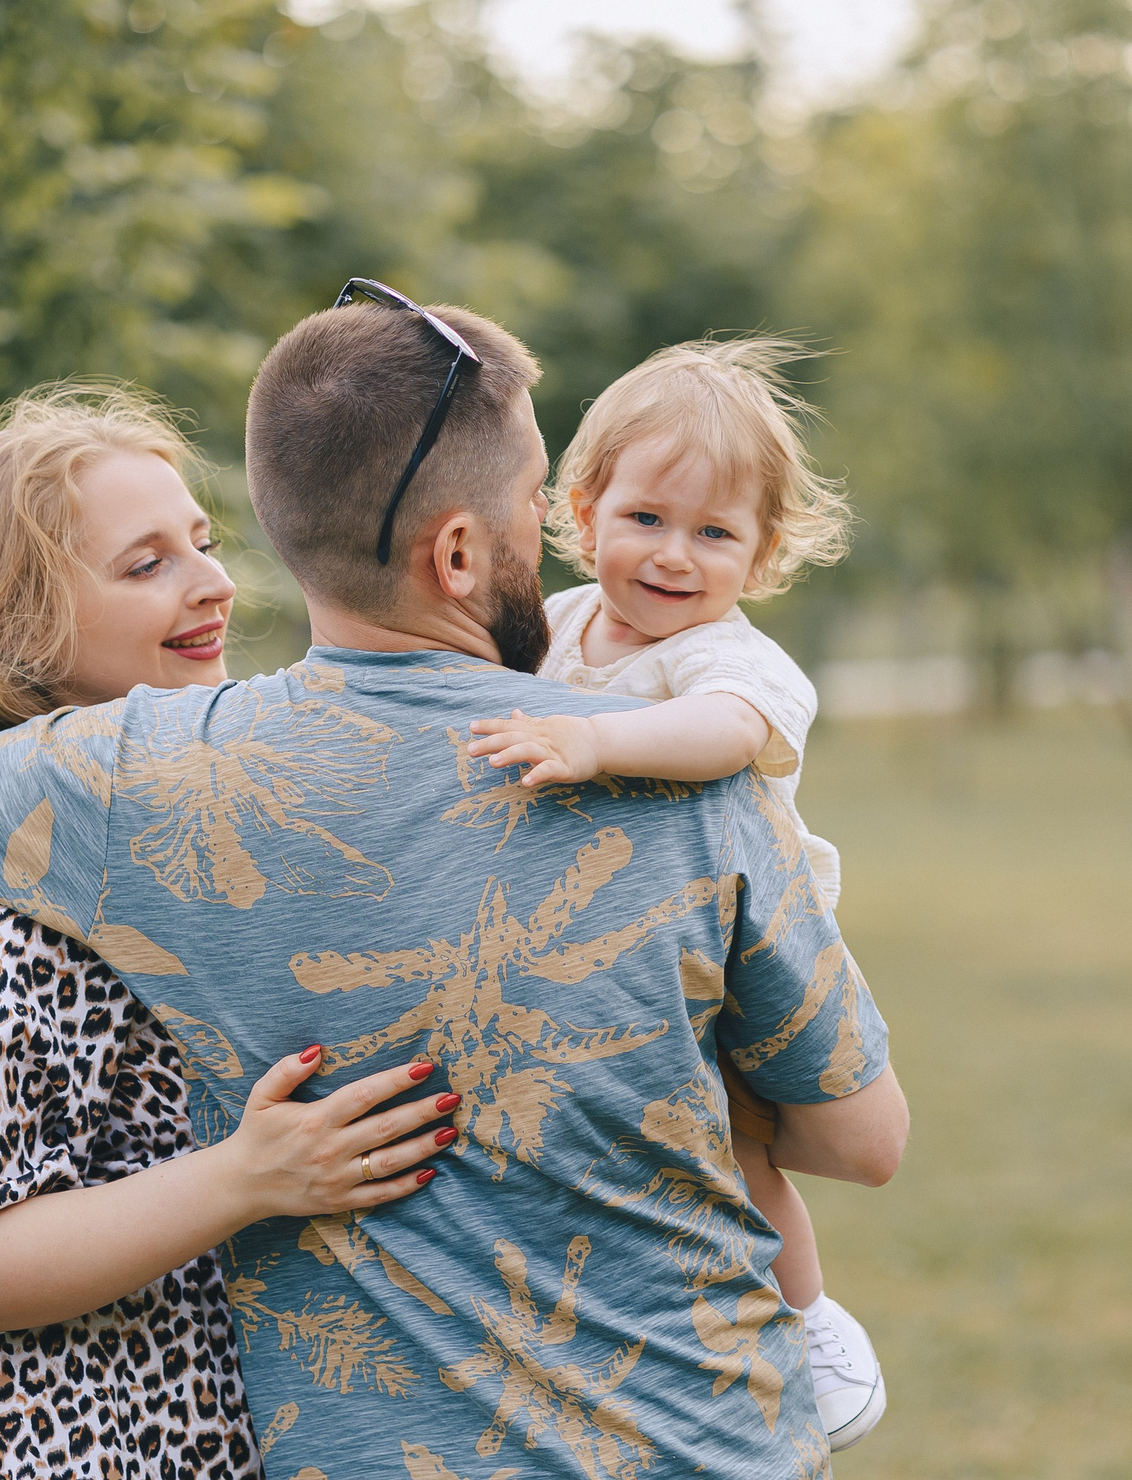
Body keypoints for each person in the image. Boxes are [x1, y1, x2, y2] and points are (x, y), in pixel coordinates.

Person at [0, 288, 908, 1480]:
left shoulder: (130, 778)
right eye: (535, 497)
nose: (551, 531)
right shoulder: (692, 772)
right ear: (459, 551)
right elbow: (863, 1138)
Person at [0, 387, 458, 1479]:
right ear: (21, 631)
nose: (214, 582)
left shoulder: (180, 837)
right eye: (145, 565)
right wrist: (243, 1178)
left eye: (202, 543)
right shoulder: (1, 909)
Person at [463, 338, 885, 1449]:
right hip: (604, 943)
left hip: (737, 956)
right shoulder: (556, 625)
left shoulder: (727, 659)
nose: (673, 556)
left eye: (714, 533)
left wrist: (595, 741)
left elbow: (725, 734)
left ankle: (809, 1317)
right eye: (645, 517)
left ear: (763, 552)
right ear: (584, 510)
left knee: (735, 1144)